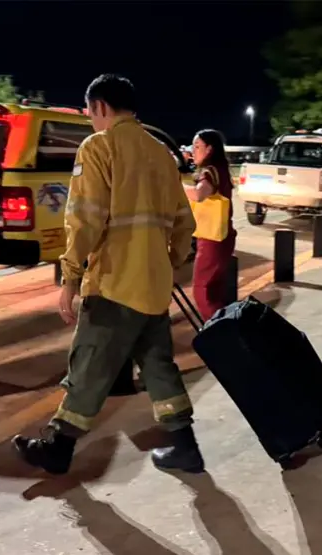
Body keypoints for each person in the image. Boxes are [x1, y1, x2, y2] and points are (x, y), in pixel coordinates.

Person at [12, 74, 201, 475]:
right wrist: (169, 262)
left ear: (100, 107)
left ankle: (58, 449)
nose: (89, 120)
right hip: (153, 285)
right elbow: (185, 222)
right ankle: (186, 447)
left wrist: (70, 278)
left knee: (89, 364)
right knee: (157, 365)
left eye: (89, 112)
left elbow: (84, 219)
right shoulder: (160, 154)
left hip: (114, 283)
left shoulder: (98, 147)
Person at [183, 129, 236, 320]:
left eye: (197, 146)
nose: (193, 151)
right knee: (215, 291)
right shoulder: (221, 169)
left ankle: (220, 336)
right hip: (223, 236)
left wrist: (174, 185)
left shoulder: (210, 171)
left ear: (209, 149)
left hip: (212, 239)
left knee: (202, 291)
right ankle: (227, 331)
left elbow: (199, 194)